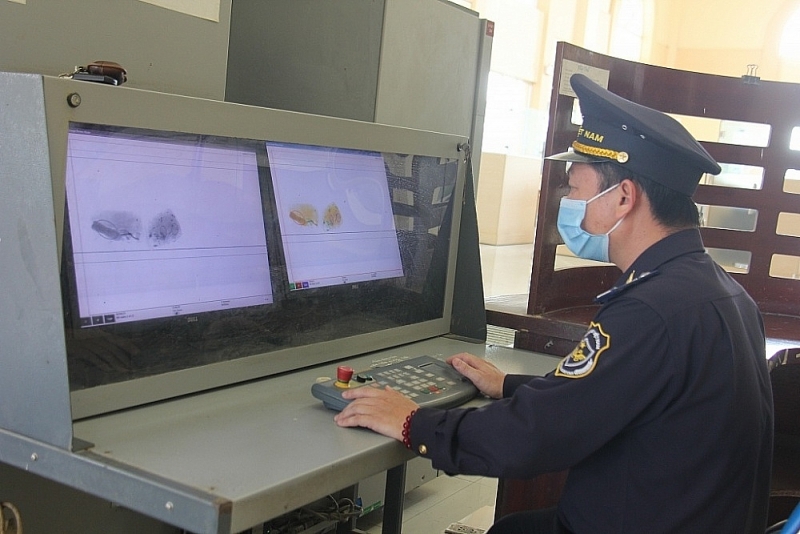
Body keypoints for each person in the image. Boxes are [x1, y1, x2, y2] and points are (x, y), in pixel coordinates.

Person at [334, 73, 774, 534]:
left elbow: (534, 439)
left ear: (623, 196)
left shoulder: (651, 309)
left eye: (576, 189)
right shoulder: (715, 289)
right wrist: (511, 386)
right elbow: (615, 394)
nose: (567, 201)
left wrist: (413, 423)